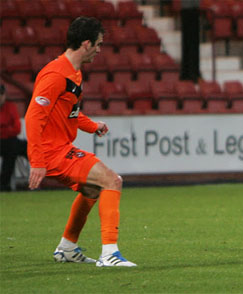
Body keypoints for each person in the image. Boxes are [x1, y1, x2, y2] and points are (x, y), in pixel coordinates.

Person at [24, 17, 136, 267]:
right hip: (52, 152)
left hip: (61, 148)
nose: (99, 49)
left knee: (92, 189)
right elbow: (33, 117)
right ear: (86, 43)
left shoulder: (73, 73)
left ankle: (67, 248)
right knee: (111, 180)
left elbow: (67, 111)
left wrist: (92, 126)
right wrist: (37, 160)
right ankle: (109, 253)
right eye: (98, 44)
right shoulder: (55, 74)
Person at [0, 84, 28, 191]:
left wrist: (3, 130)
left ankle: (41, 177)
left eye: (1, 94)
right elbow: (13, 129)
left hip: (10, 141)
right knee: (11, 149)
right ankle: (4, 184)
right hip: (7, 142)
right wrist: (7, 128)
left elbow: (17, 129)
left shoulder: (10, 107)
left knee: (28, 148)